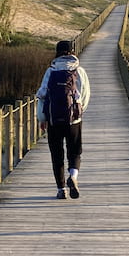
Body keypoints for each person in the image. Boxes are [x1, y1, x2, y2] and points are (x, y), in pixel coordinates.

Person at [35, 39, 91, 199]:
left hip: (54, 120)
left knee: (57, 154)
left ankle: (61, 189)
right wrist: (79, 112)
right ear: (72, 52)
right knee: (75, 152)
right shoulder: (79, 71)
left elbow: (42, 96)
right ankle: (73, 176)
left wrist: (42, 118)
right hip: (74, 120)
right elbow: (85, 94)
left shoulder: (50, 71)